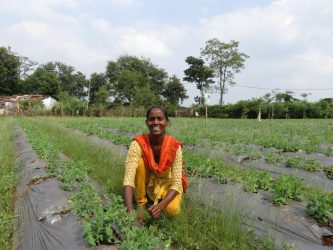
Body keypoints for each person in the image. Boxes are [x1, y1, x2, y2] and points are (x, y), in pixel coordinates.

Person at [123, 105, 188, 221]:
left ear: (166, 122)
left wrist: (160, 207)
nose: (155, 122)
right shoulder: (138, 143)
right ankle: (141, 204)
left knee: (171, 211)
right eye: (151, 119)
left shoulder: (174, 146)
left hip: (168, 185)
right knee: (139, 163)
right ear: (147, 122)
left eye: (160, 118)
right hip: (149, 182)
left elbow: (177, 183)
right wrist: (129, 210)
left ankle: (158, 203)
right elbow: (129, 178)